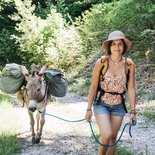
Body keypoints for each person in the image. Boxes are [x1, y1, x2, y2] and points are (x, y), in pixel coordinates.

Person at [85, 30, 136, 155]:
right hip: (101, 103)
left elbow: (131, 88)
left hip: (119, 105)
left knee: (113, 138)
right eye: (114, 44)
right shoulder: (101, 63)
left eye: (120, 44)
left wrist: (133, 111)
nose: (117, 47)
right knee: (106, 135)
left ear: (123, 46)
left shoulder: (129, 64)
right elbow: (93, 86)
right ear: (109, 46)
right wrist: (88, 109)